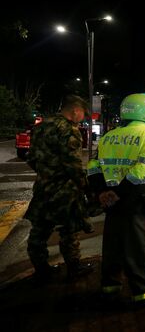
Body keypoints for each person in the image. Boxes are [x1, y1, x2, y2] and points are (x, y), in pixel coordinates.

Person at [87, 93, 145, 306]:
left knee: (112, 244)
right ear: (144, 111)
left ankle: (110, 286)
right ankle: (144, 293)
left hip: (110, 199)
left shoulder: (108, 136)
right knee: (139, 247)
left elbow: (93, 167)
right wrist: (120, 192)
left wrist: (102, 192)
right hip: (138, 199)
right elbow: (142, 169)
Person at [24, 95, 94, 283]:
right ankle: (74, 267)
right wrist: (84, 185)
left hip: (43, 186)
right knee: (69, 230)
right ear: (75, 111)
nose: (83, 119)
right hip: (65, 190)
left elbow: (31, 157)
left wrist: (46, 173)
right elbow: (73, 164)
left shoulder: (40, 127)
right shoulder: (69, 130)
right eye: (83, 115)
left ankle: (41, 269)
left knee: (39, 230)